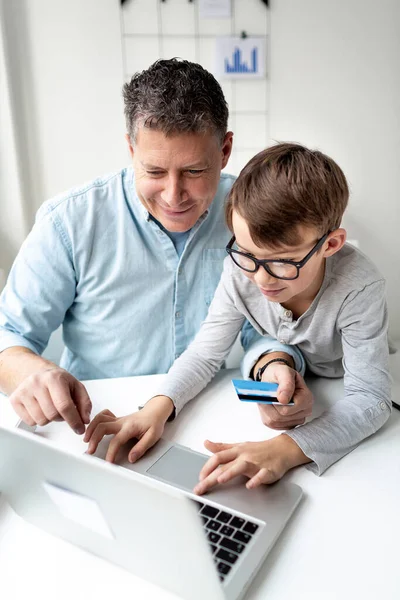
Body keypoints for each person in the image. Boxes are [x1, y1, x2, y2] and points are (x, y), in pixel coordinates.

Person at [0, 59, 307, 443]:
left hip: (204, 417)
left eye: (194, 171)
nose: (173, 196)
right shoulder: (70, 222)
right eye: (155, 172)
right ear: (131, 149)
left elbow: (260, 328)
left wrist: (273, 365)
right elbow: (8, 335)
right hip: (97, 423)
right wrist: (32, 374)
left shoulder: (249, 216)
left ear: (225, 150)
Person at [85, 142, 392, 492]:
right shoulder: (238, 269)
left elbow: (370, 397)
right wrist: (157, 406)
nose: (261, 279)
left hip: (344, 384)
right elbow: (205, 353)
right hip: (286, 369)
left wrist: (285, 450)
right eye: (247, 253)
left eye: (283, 261)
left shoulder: (359, 286)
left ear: (330, 245)